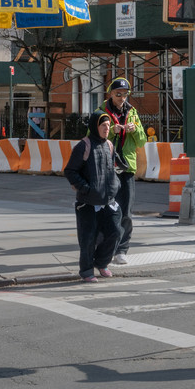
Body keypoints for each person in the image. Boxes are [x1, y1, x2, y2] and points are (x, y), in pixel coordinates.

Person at [63, 111, 123, 283]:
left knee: (115, 231)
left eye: (108, 126)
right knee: (88, 238)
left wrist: (114, 185)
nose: (106, 129)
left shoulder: (109, 145)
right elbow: (70, 171)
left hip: (107, 201)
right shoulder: (83, 146)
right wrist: (86, 189)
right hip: (87, 203)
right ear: (95, 127)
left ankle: (102, 263)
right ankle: (87, 271)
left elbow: (112, 169)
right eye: (103, 125)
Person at [99, 77, 147, 265]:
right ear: (110, 94)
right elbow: (92, 136)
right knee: (104, 209)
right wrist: (112, 131)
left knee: (126, 210)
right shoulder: (101, 112)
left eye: (125, 94)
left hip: (126, 167)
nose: (121, 98)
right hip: (106, 167)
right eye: (118, 94)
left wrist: (134, 130)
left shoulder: (132, 112)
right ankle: (103, 247)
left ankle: (122, 249)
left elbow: (142, 141)